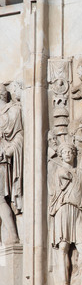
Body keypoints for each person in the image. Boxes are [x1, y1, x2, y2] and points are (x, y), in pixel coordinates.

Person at [48, 141, 82, 285]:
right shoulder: (59, 170)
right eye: (65, 152)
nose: (68, 154)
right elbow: (61, 177)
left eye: (70, 152)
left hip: (78, 211)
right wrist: (65, 174)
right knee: (63, 247)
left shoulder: (79, 172)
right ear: (60, 155)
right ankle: (64, 283)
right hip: (63, 209)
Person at [0, 83, 23, 245]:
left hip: (3, 161)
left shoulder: (13, 111)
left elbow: (20, 137)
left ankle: (13, 235)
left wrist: (9, 149)